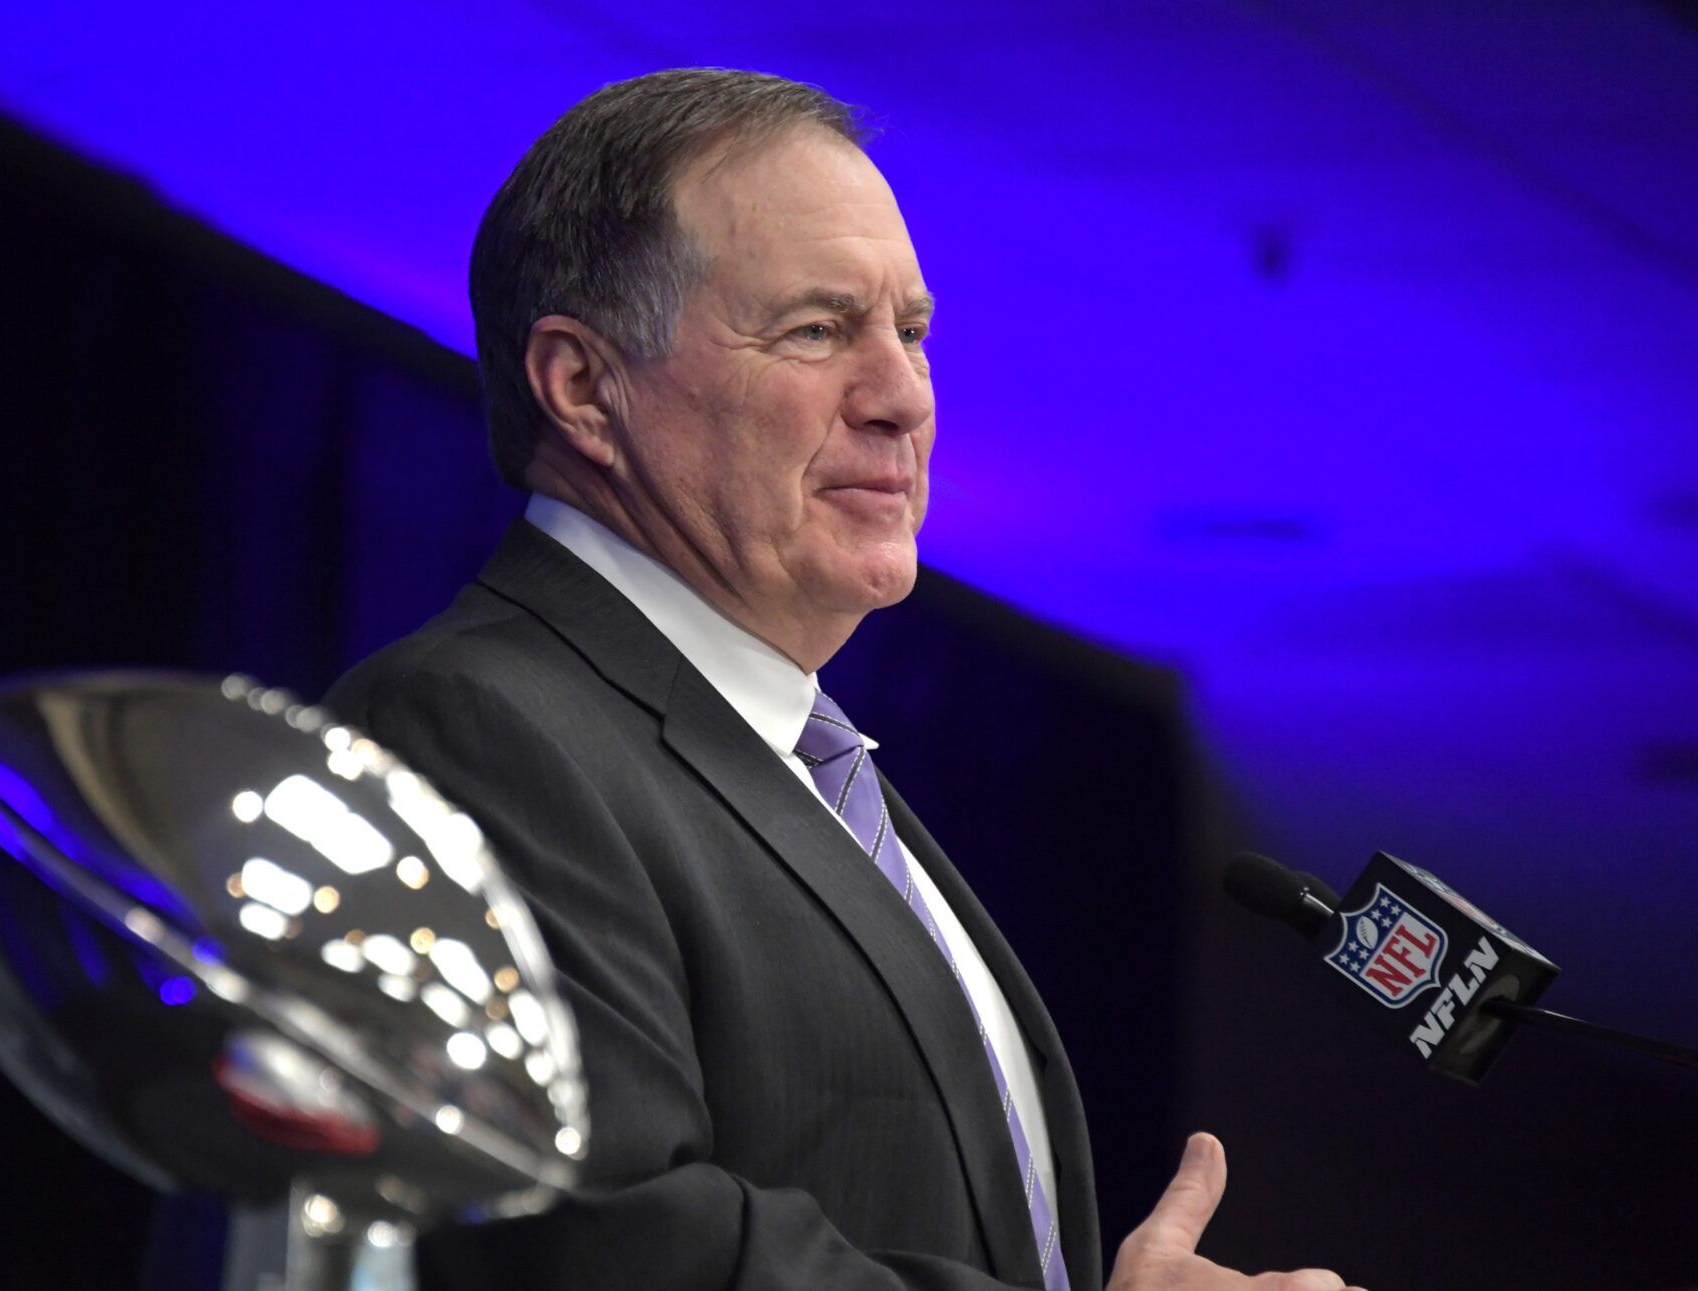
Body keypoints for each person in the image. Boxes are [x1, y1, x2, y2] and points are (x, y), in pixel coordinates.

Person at [326, 68, 1360, 1291]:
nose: (904, 397)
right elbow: (601, 1237)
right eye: (816, 330)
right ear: (584, 387)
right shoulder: (473, 727)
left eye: (911, 332)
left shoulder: (804, 761)